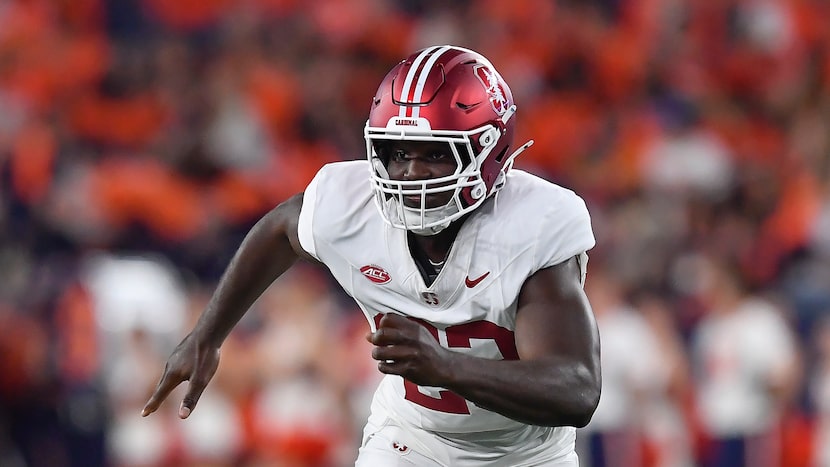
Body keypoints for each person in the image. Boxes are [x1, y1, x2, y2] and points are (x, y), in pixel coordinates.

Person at [142, 44, 601, 466]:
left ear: (490, 150)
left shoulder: (536, 222)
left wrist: (446, 367)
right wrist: (208, 335)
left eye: (435, 155)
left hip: (526, 455)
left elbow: (576, 391)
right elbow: (281, 230)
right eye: (397, 152)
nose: (412, 173)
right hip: (412, 438)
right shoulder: (351, 201)